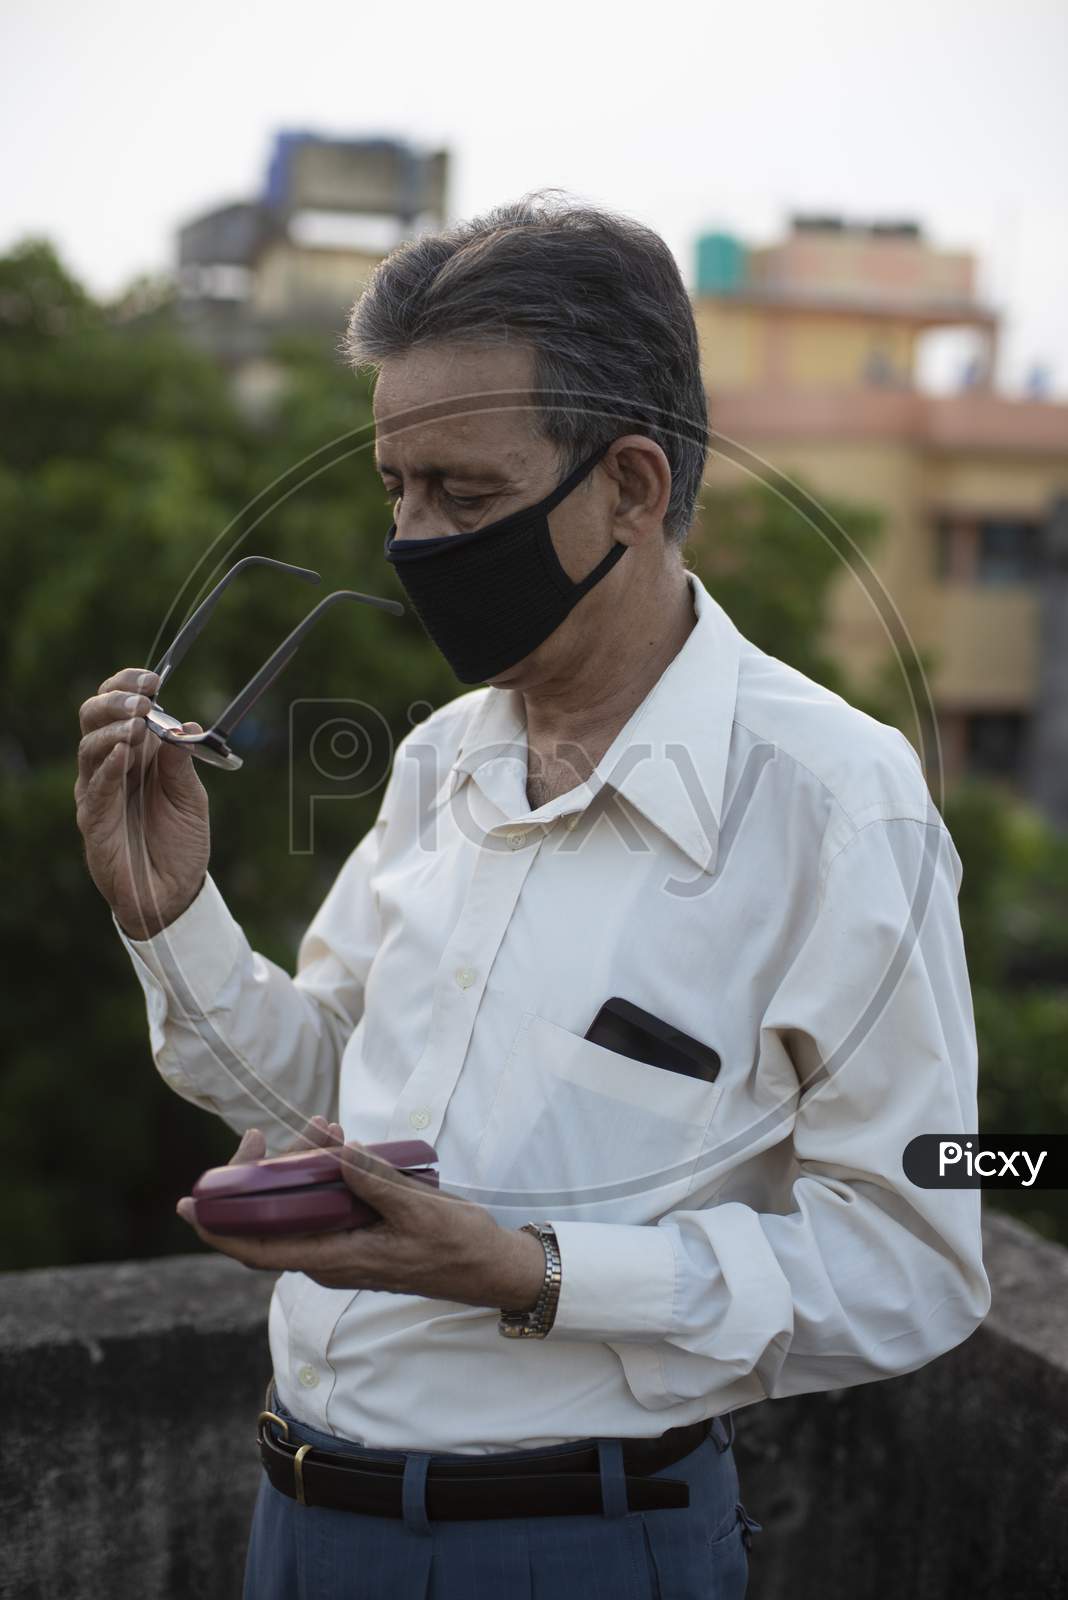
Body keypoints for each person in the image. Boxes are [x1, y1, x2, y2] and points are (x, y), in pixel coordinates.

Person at [75, 193, 991, 1600]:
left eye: (467, 495)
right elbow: (324, 1091)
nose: (416, 537)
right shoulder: (445, 757)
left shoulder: (833, 799)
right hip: (300, 1524)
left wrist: (539, 1272)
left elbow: (919, 1252)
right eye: (396, 489)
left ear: (629, 485)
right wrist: (170, 917)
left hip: (578, 1544)